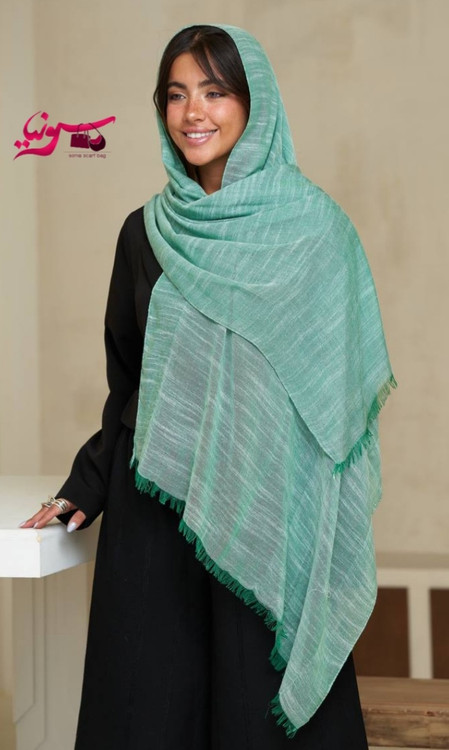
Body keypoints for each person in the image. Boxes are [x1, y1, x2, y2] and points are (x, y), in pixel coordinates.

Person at [19, 24, 396, 749]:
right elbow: (129, 383)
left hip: (265, 516)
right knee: (150, 715)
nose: (193, 112)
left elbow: (337, 399)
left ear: (255, 104)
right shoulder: (144, 233)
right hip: (157, 520)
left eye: (215, 91)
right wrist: (87, 483)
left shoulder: (316, 233)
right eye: (176, 94)